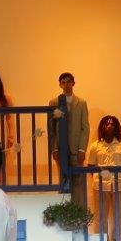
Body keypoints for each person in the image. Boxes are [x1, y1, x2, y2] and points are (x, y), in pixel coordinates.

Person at [86, 116, 121, 241]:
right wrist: (100, 176)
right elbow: (90, 166)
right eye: (106, 123)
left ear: (116, 127)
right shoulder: (95, 146)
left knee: (120, 215)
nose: (109, 125)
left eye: (112, 124)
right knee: (101, 216)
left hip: (120, 185)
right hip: (100, 185)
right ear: (102, 127)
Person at [48, 72, 89, 204]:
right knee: (63, 178)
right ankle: (65, 211)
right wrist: (54, 149)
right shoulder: (54, 102)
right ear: (60, 84)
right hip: (61, 148)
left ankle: (78, 212)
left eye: (69, 81)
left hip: (77, 149)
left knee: (78, 181)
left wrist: (82, 149)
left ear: (73, 83)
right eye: (63, 82)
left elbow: (85, 127)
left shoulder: (81, 103)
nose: (66, 84)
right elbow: (51, 128)